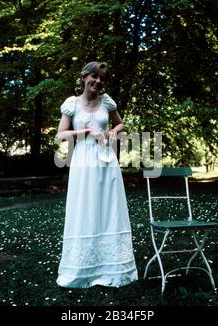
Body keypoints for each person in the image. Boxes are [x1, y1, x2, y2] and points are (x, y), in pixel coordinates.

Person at [56, 61, 138, 288]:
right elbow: (60, 135)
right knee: (85, 208)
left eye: (102, 78)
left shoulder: (107, 102)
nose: (98, 81)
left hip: (106, 162)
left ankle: (114, 269)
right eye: (94, 76)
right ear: (83, 77)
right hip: (82, 162)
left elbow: (120, 124)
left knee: (109, 209)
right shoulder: (71, 105)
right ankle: (81, 270)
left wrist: (112, 131)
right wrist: (87, 131)